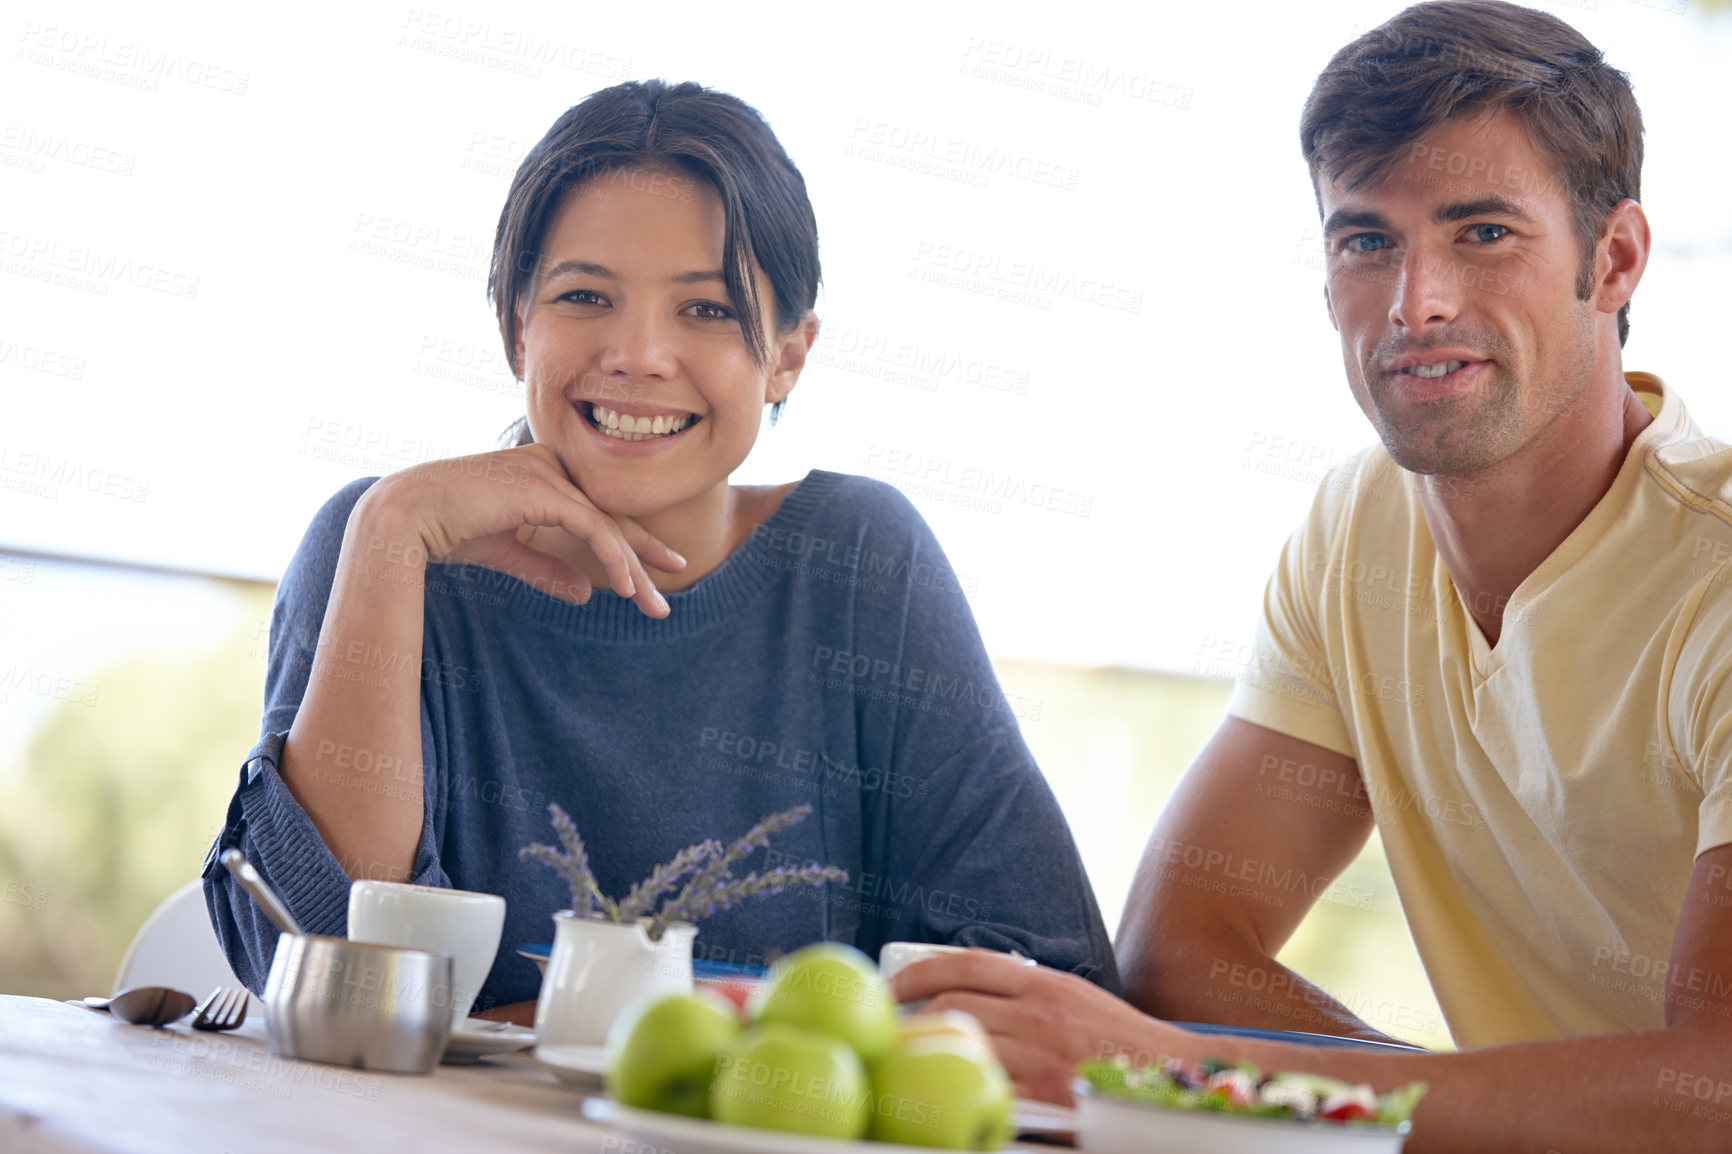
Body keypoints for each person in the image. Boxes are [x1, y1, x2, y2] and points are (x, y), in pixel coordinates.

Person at [891, 3, 1732, 1148]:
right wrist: (1378, 1098)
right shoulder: (1359, 527)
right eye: (1365, 240)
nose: (1414, 302)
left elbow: (1713, 1084)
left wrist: (1180, 1070)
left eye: (1481, 232)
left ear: (1614, 258)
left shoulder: (1714, 574)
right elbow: (1185, 941)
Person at [202, 79, 1117, 1015]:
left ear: (791, 354)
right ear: (519, 329)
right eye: (585, 295)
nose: (638, 353)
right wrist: (391, 536)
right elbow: (319, 974)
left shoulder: (861, 564)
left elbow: (1045, 979)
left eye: (709, 310)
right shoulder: (385, 542)